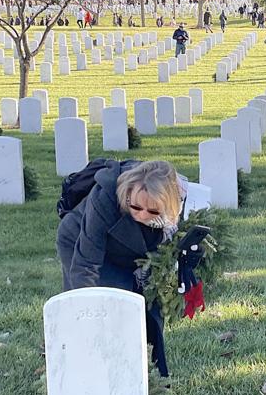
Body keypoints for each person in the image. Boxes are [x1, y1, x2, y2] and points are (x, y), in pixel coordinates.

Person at [56, 161, 195, 377]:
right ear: (128, 195)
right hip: (82, 244)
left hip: (134, 253)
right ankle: (94, 368)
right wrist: (85, 312)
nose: (142, 215)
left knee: (150, 308)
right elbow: (86, 263)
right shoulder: (105, 197)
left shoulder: (180, 198)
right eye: (136, 207)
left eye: (153, 211)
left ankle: (151, 375)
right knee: (113, 305)